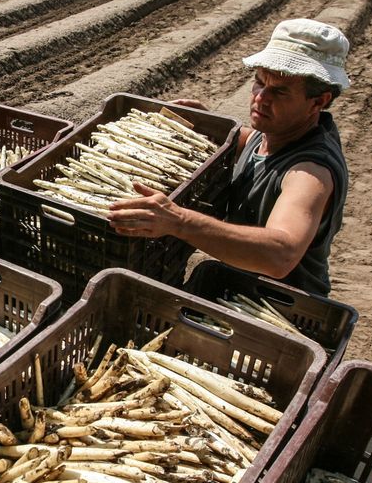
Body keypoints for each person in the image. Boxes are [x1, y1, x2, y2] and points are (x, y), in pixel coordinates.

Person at [106, 18, 351, 296]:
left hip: (277, 305)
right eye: (259, 83)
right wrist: (206, 124)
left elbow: (280, 255)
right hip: (238, 283)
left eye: (279, 91)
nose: (261, 98)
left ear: (318, 102)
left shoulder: (310, 173)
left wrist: (179, 222)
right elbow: (248, 142)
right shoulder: (277, 132)